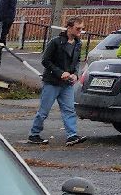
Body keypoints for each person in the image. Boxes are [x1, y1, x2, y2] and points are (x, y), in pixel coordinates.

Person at [28, 18, 85, 146]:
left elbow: (76, 61)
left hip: (67, 83)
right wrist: (60, 73)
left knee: (69, 110)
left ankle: (72, 135)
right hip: (52, 81)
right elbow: (45, 61)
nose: (80, 31)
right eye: (78, 28)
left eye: (81, 28)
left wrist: (75, 74)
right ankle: (34, 134)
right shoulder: (55, 42)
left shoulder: (78, 43)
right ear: (69, 28)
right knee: (44, 110)